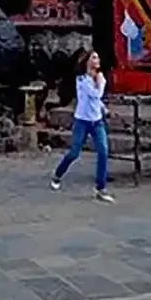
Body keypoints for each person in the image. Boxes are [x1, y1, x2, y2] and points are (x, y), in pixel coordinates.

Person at [51, 49, 113, 202]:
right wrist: (101, 82)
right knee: (74, 152)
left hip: (96, 121)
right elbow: (95, 94)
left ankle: (101, 187)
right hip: (82, 121)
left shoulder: (98, 77)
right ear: (87, 62)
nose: (96, 60)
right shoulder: (82, 80)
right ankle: (58, 174)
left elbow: (96, 100)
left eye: (97, 57)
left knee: (103, 151)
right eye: (93, 57)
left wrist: (102, 108)